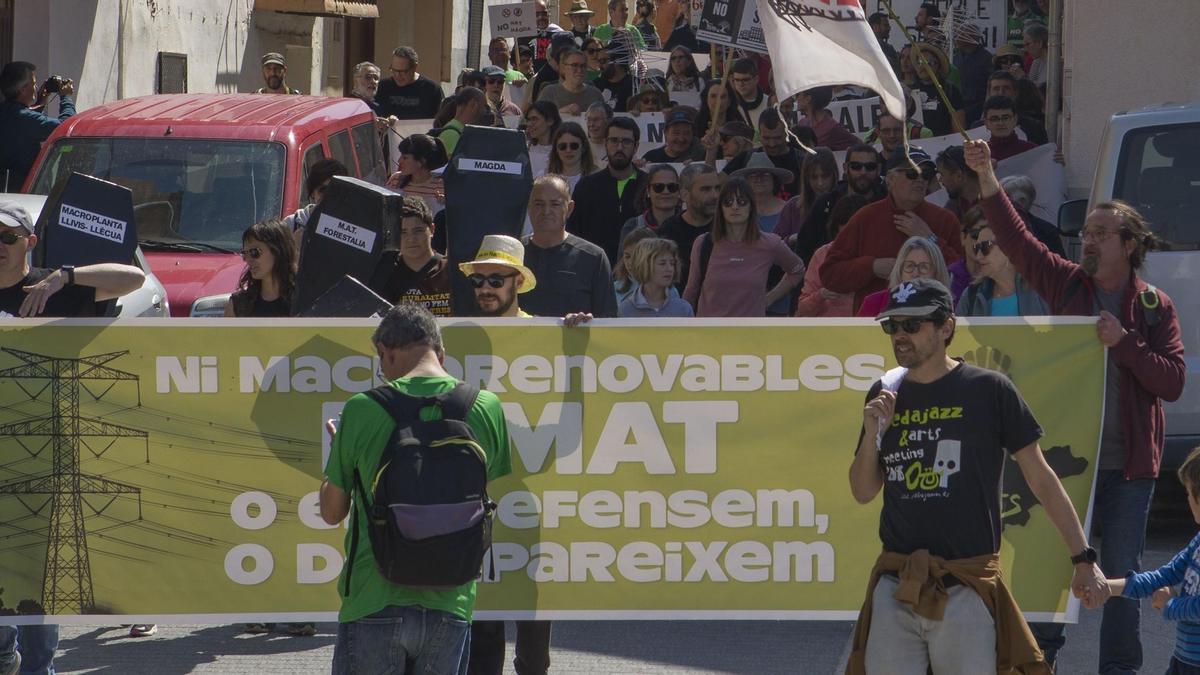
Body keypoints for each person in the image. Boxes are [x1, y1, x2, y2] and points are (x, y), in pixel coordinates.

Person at [966, 138, 1187, 672]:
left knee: (1121, 575)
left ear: (1129, 244)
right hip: (1066, 462)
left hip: (1129, 470)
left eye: (1100, 234)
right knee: (1052, 565)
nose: (1087, 241)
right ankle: (1043, 661)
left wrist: (1126, 343)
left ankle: (1118, 668)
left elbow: (1174, 382)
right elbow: (1018, 243)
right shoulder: (1066, 283)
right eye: (1085, 232)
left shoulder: (1155, 307)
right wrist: (987, 177)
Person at [845, 276, 1107, 675]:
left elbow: (1042, 479)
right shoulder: (885, 392)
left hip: (966, 585)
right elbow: (862, 491)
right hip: (897, 584)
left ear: (946, 327)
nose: (900, 335)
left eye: (912, 325)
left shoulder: (989, 390)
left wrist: (1083, 559)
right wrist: (872, 433)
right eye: (892, 326)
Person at [320, 302, 511, 675]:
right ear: (441, 352)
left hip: (373, 596)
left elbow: (332, 511)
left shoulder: (362, 409)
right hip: (451, 598)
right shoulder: (487, 406)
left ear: (386, 352)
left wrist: (339, 447)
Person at [821, 147, 963, 313]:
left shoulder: (945, 219)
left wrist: (930, 238)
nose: (920, 180)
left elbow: (963, 277)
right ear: (890, 179)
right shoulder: (866, 217)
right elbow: (830, 274)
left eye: (926, 174)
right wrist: (872, 267)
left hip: (930, 322)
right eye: (912, 173)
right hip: (875, 326)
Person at [1100, 446, 1200, 674]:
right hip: (1183, 661)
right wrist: (1107, 588)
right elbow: (1163, 576)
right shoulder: (1198, 543)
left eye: (1188, 493)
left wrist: (1170, 605)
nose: (1187, 500)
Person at [683, 177, 804, 317]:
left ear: (751, 206)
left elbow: (797, 271)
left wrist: (769, 298)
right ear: (720, 208)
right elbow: (691, 291)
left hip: (752, 333)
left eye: (742, 202)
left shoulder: (770, 243)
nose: (735, 207)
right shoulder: (703, 243)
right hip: (709, 333)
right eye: (728, 202)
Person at [0, 201, 144, 319]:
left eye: (8, 238)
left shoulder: (51, 287)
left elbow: (136, 278)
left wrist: (65, 275)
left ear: (31, 242)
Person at [520, 175, 619, 318]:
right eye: (539, 204)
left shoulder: (593, 258)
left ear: (570, 208)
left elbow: (608, 321)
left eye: (555, 204)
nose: (546, 211)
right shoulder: (512, 255)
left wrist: (586, 323)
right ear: (529, 208)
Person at [567, 116, 647, 263]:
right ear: (605, 143)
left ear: (636, 146)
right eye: (614, 140)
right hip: (593, 272)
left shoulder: (649, 186)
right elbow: (573, 235)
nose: (620, 147)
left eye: (626, 141)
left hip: (640, 270)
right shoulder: (587, 186)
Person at [788, 145, 884, 266]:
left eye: (870, 167)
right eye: (856, 166)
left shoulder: (886, 201)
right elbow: (804, 250)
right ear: (845, 168)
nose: (863, 172)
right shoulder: (826, 203)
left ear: (879, 169)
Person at [954, 207, 1049, 317]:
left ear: (1009, 247)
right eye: (977, 248)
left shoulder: (1043, 291)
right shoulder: (971, 296)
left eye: (986, 247)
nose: (979, 256)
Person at [367, 196, 451, 316]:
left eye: (418, 231)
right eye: (403, 232)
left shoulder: (452, 271)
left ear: (432, 229)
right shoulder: (384, 274)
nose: (411, 239)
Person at [0, 61, 75, 192]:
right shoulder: (25, 119)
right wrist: (66, 97)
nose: (36, 88)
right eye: (34, 84)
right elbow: (67, 127)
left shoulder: (8, 113)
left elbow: (21, 125)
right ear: (23, 89)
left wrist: (42, 100)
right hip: (23, 197)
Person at [795, 194, 868, 318]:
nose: (851, 239)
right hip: (828, 331)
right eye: (845, 233)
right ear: (836, 229)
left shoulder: (880, 254)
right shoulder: (822, 254)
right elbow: (803, 311)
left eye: (856, 233)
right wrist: (821, 295)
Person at [657, 163, 720, 290]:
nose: (715, 195)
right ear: (685, 195)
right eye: (706, 189)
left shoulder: (729, 227)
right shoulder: (669, 231)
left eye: (717, 188)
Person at [855, 235, 950, 317]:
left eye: (924, 267)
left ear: (936, 273)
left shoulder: (945, 305)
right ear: (900, 271)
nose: (916, 273)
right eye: (910, 266)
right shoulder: (873, 303)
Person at [722, 109, 804, 197]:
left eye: (777, 138)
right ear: (759, 135)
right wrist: (711, 150)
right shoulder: (747, 158)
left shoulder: (801, 160)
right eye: (766, 138)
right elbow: (716, 182)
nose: (772, 144)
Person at [226, 219, 296, 318]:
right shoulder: (238, 305)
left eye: (254, 252)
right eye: (244, 253)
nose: (247, 260)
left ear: (278, 251)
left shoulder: (303, 302)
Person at [619, 237, 694, 317]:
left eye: (672, 263)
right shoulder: (625, 309)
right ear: (645, 265)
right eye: (662, 263)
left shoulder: (683, 309)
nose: (670, 269)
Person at [973, 71, 1049, 145]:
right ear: (989, 93)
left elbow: (1043, 154)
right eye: (996, 88)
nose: (1001, 92)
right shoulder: (977, 128)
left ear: (1015, 92)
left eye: (1006, 88)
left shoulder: (1034, 127)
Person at [908, 44, 966, 136]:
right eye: (919, 62)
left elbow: (959, 129)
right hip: (915, 145)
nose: (922, 67)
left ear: (938, 65)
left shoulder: (950, 90)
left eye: (928, 63)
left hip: (942, 144)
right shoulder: (909, 91)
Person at [1000, 174, 1064, 257]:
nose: (997, 204)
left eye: (1003, 199)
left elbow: (1057, 267)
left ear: (1022, 202)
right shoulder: (987, 226)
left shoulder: (1047, 232)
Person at [386, 135, 447, 219]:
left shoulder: (442, 186)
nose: (399, 160)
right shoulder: (396, 179)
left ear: (422, 161)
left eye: (405, 157)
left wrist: (446, 202)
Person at [375, 46, 444, 120]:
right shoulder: (382, 87)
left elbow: (441, 120)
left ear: (415, 67)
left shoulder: (432, 89)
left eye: (403, 71)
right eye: (394, 70)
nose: (398, 75)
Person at [620, 164, 680, 241]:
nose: (666, 191)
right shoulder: (633, 226)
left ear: (679, 191)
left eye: (672, 187)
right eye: (658, 187)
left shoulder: (689, 224)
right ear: (648, 191)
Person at [537, 47, 604, 115]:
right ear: (563, 68)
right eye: (574, 65)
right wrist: (560, 113)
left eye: (583, 66)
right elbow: (538, 120)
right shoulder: (549, 93)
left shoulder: (595, 94)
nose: (579, 70)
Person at [951, 20, 993, 125]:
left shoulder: (986, 59)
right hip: (958, 108)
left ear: (972, 37)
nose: (956, 38)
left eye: (961, 34)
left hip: (978, 109)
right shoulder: (955, 58)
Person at [792, 86, 859, 151]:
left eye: (798, 95)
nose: (796, 98)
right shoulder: (802, 123)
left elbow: (859, 145)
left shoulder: (832, 127)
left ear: (808, 99)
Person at [547, 122, 597, 194]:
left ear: (583, 147)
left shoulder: (596, 177)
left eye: (574, 146)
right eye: (562, 146)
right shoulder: (545, 178)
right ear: (556, 150)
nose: (568, 150)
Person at [983, 95, 1038, 161]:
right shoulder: (978, 157)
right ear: (986, 123)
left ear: (1015, 120)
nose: (1000, 123)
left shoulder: (1033, 151)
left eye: (1006, 118)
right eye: (994, 119)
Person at [436, 87, 486, 157]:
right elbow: (453, 166)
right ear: (473, 104)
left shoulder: (461, 131)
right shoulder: (451, 133)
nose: (484, 112)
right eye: (483, 106)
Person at [519, 0, 567, 72]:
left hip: (555, 77)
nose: (540, 17)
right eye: (537, 14)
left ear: (548, 13)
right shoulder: (524, 34)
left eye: (544, 13)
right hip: (531, 78)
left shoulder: (559, 34)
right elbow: (517, 58)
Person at [935, 146, 981, 220]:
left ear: (959, 176)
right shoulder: (950, 212)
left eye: (942, 174)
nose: (940, 180)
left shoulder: (996, 202)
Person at [614, 226, 656, 301]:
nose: (630, 262)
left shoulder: (666, 290)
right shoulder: (614, 288)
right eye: (627, 256)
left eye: (637, 256)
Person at [727, 57, 771, 130]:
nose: (741, 84)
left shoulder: (769, 103)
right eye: (737, 80)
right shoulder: (730, 105)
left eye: (745, 79)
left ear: (756, 79)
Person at [693, 79, 738, 143]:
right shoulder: (696, 126)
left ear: (729, 101)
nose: (718, 101)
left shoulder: (737, 126)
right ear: (706, 100)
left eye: (723, 97)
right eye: (713, 96)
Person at [1024, 23, 1049, 89]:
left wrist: (1023, 77)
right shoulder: (1036, 62)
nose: (1025, 49)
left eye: (1028, 44)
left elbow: (1043, 88)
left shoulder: (1053, 63)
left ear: (1040, 43)